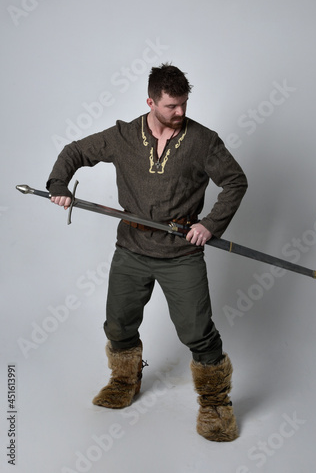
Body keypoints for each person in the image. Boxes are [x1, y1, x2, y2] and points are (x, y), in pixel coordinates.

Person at [47, 63, 248, 442]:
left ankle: (216, 402)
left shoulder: (203, 141)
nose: (180, 113)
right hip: (132, 248)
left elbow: (236, 181)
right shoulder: (123, 136)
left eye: (184, 104)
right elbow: (75, 151)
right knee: (118, 324)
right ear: (151, 102)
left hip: (181, 253)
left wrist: (210, 224)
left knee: (197, 332)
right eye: (172, 106)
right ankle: (125, 380)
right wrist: (59, 183)